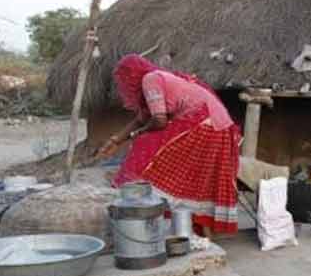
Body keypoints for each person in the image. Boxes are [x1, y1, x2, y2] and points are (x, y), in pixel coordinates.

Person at [96, 54, 241, 235]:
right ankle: (176, 220)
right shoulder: (158, 80)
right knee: (163, 165)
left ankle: (142, 207)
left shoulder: (150, 79)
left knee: (146, 153)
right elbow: (141, 119)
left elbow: (159, 121)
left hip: (207, 125)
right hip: (216, 127)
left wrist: (136, 135)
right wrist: (115, 141)